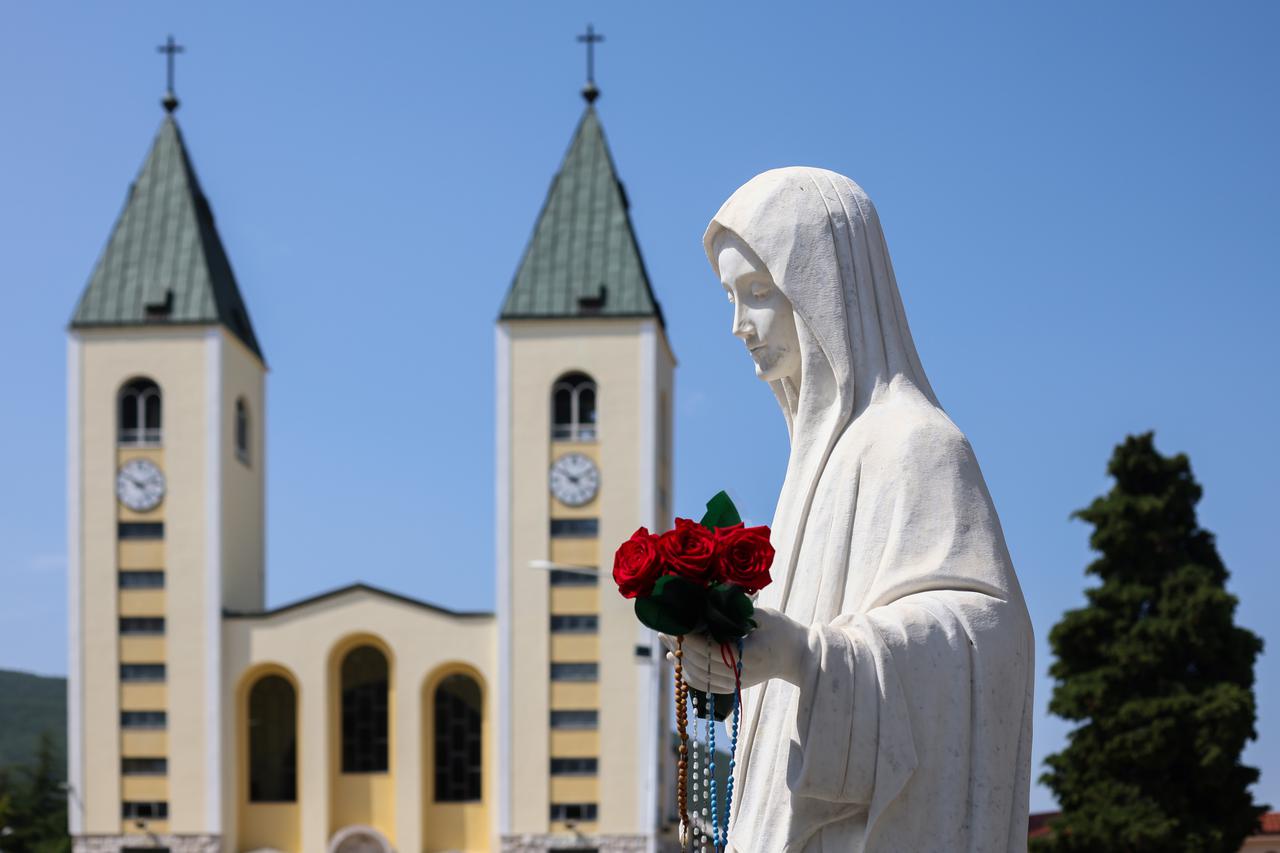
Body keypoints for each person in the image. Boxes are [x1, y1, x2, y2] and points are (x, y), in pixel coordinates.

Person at [667, 168, 1034, 852]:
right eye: (730, 296)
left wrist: (808, 655)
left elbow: (988, 636)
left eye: (757, 293)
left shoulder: (916, 443)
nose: (738, 325)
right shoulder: (814, 470)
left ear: (823, 294)